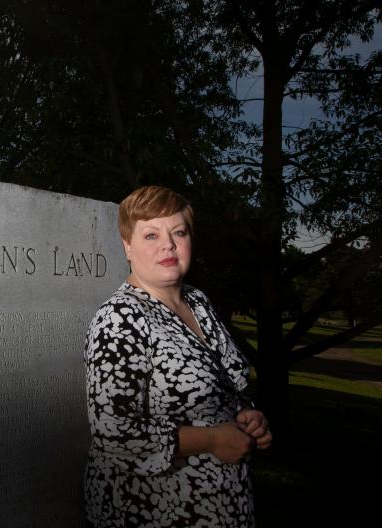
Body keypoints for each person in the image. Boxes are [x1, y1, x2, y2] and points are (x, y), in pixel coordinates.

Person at [84, 186, 272, 527]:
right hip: (157, 508)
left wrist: (247, 415)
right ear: (127, 246)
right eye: (151, 234)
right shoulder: (120, 318)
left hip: (223, 504)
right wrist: (214, 438)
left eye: (178, 232)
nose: (168, 244)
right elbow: (114, 432)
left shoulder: (198, 302)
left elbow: (226, 384)